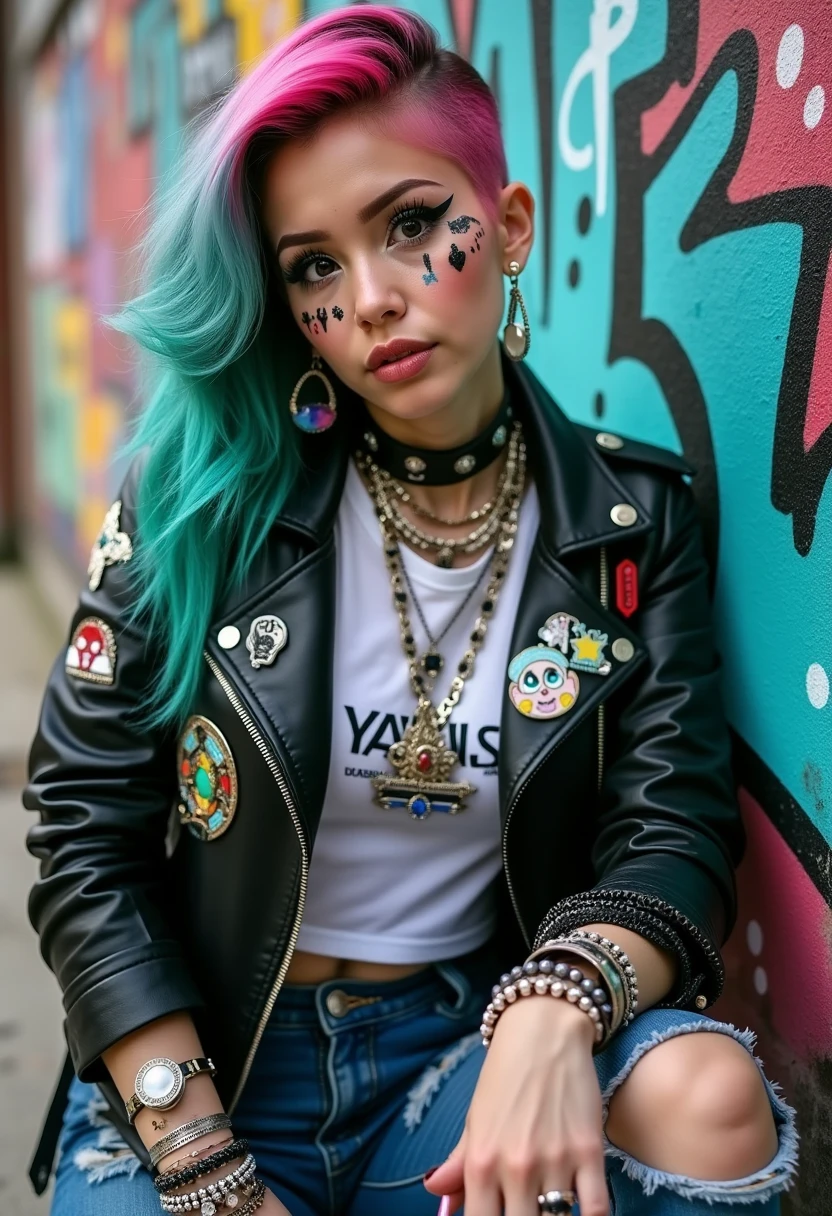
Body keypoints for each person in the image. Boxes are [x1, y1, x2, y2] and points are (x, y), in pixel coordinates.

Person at [24, 8, 796, 1216]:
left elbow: (674, 823)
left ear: (511, 226)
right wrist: (198, 1155)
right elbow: (83, 825)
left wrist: (556, 1003)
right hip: (200, 1065)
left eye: (410, 225)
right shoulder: (198, 508)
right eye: (315, 267)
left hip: (451, 1054)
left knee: (703, 1097)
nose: (373, 298)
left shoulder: (630, 524)